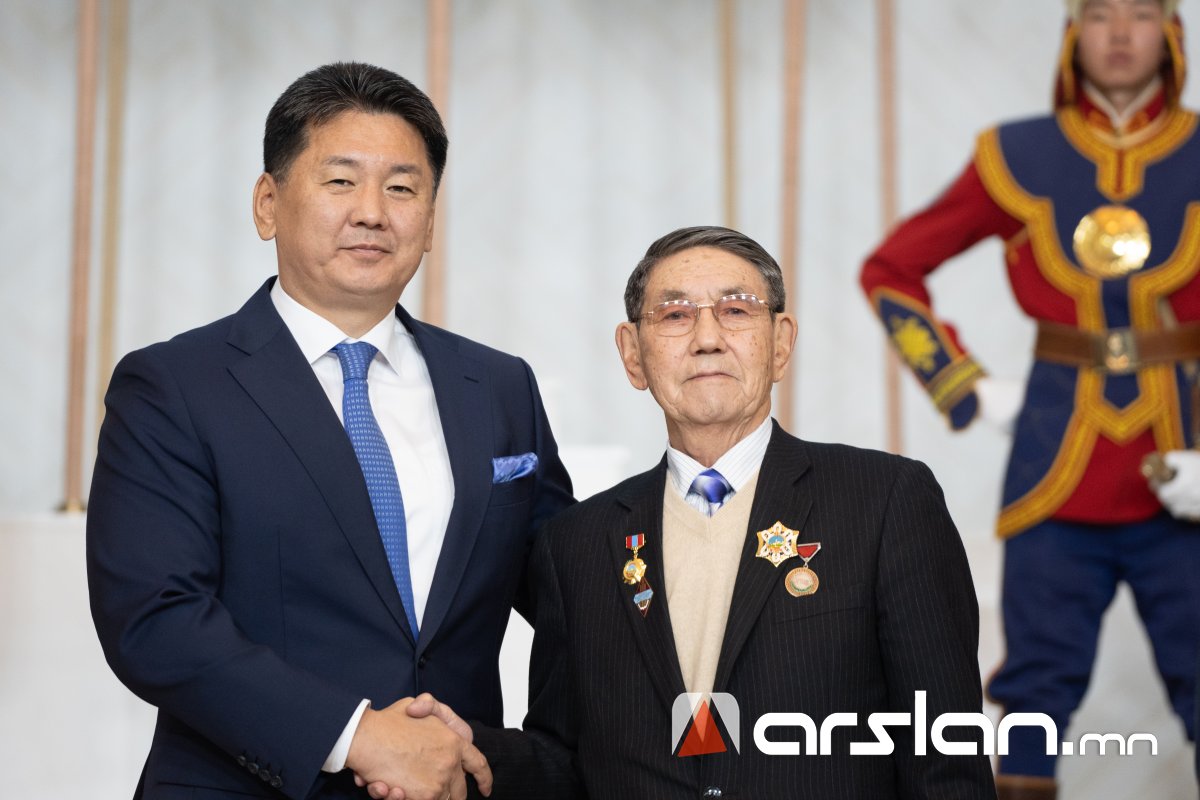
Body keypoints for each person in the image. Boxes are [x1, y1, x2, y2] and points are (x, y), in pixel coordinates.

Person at [86, 62, 573, 800]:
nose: (372, 212)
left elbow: (573, 593)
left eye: (402, 188)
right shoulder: (174, 386)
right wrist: (357, 736)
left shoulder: (499, 386)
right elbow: (155, 618)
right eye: (341, 181)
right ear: (268, 203)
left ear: (430, 221)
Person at [414, 226, 992, 799]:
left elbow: (944, 757)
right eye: (675, 315)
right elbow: (568, 762)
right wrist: (469, 751)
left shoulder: (886, 501)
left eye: (736, 311)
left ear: (781, 343)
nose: (707, 338)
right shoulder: (578, 544)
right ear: (633, 354)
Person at [859, 1, 1200, 796]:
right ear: (1073, 33)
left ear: (1172, 33)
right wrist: (963, 385)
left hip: (1186, 462)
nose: (1121, 33)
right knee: (1031, 698)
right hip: (1055, 466)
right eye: (1100, 14)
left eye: (1142, 13)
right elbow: (891, 270)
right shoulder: (1015, 154)